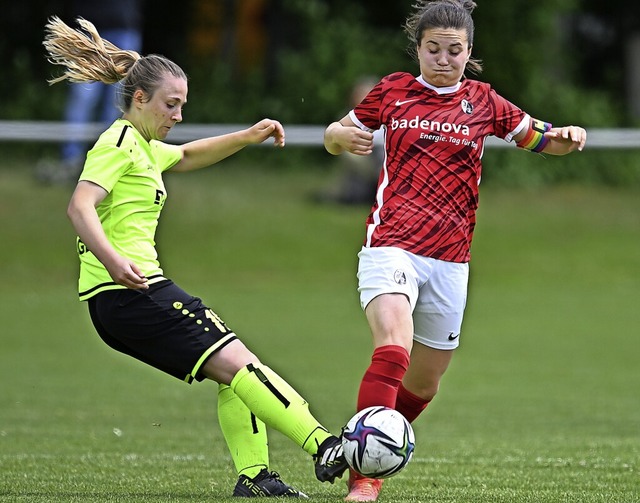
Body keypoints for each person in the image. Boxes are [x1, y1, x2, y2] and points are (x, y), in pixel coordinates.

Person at [43, 16, 348, 498]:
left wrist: (245, 137)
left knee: (234, 372)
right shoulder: (119, 142)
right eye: (171, 104)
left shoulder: (144, 146)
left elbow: (184, 157)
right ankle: (325, 445)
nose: (178, 116)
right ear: (139, 98)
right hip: (130, 292)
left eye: (182, 105)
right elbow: (79, 204)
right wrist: (114, 261)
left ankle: (255, 478)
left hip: (126, 298)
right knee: (242, 363)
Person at [323, 1, 587, 501]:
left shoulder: (484, 101)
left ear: (469, 52)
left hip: (450, 257)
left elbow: (539, 138)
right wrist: (340, 136)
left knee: (425, 383)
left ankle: (355, 444)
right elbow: (337, 134)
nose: (443, 59)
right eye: (433, 49)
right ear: (418, 48)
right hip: (392, 243)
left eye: (454, 50)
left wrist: (567, 138)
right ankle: (365, 479)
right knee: (394, 346)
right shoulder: (394, 90)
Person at [37, 1, 143, 184]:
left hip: (124, 27)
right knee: (82, 97)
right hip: (90, 28)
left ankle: (109, 162)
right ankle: (71, 162)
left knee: (116, 104)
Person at [314, 77, 383, 205]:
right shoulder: (349, 118)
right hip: (363, 155)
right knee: (353, 155)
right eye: (362, 94)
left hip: (381, 157)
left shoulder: (388, 115)